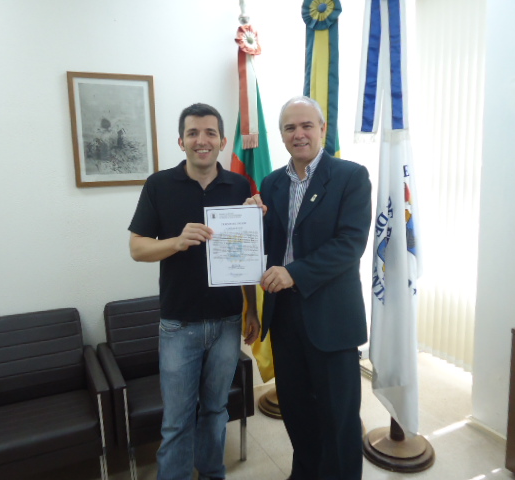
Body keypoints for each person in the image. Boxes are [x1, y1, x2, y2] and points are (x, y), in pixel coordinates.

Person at [128, 103, 260, 480]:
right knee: (177, 421)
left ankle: (213, 473)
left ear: (222, 141)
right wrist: (176, 241)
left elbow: (244, 255)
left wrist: (251, 308)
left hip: (228, 321)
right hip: (178, 325)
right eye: (193, 133)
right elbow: (137, 248)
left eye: (210, 133)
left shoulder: (239, 186)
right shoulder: (158, 185)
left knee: (216, 411)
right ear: (181, 141)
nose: (202, 140)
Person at [248, 96, 372, 480]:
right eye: (290, 127)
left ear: (322, 129)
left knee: (338, 417)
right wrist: (250, 220)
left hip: (331, 318)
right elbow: (272, 243)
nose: (298, 134)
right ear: (282, 135)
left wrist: (295, 273)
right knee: (297, 410)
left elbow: (350, 244)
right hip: (284, 316)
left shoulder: (351, 176)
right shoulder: (271, 183)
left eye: (306, 125)